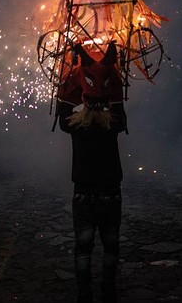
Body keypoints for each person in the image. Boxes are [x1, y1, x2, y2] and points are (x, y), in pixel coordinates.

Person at [57, 43, 125, 303]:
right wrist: (112, 84)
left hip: (84, 195)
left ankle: (84, 294)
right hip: (110, 194)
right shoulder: (114, 125)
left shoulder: (75, 126)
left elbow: (63, 107)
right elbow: (118, 107)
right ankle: (109, 291)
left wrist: (72, 81)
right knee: (111, 245)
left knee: (83, 249)